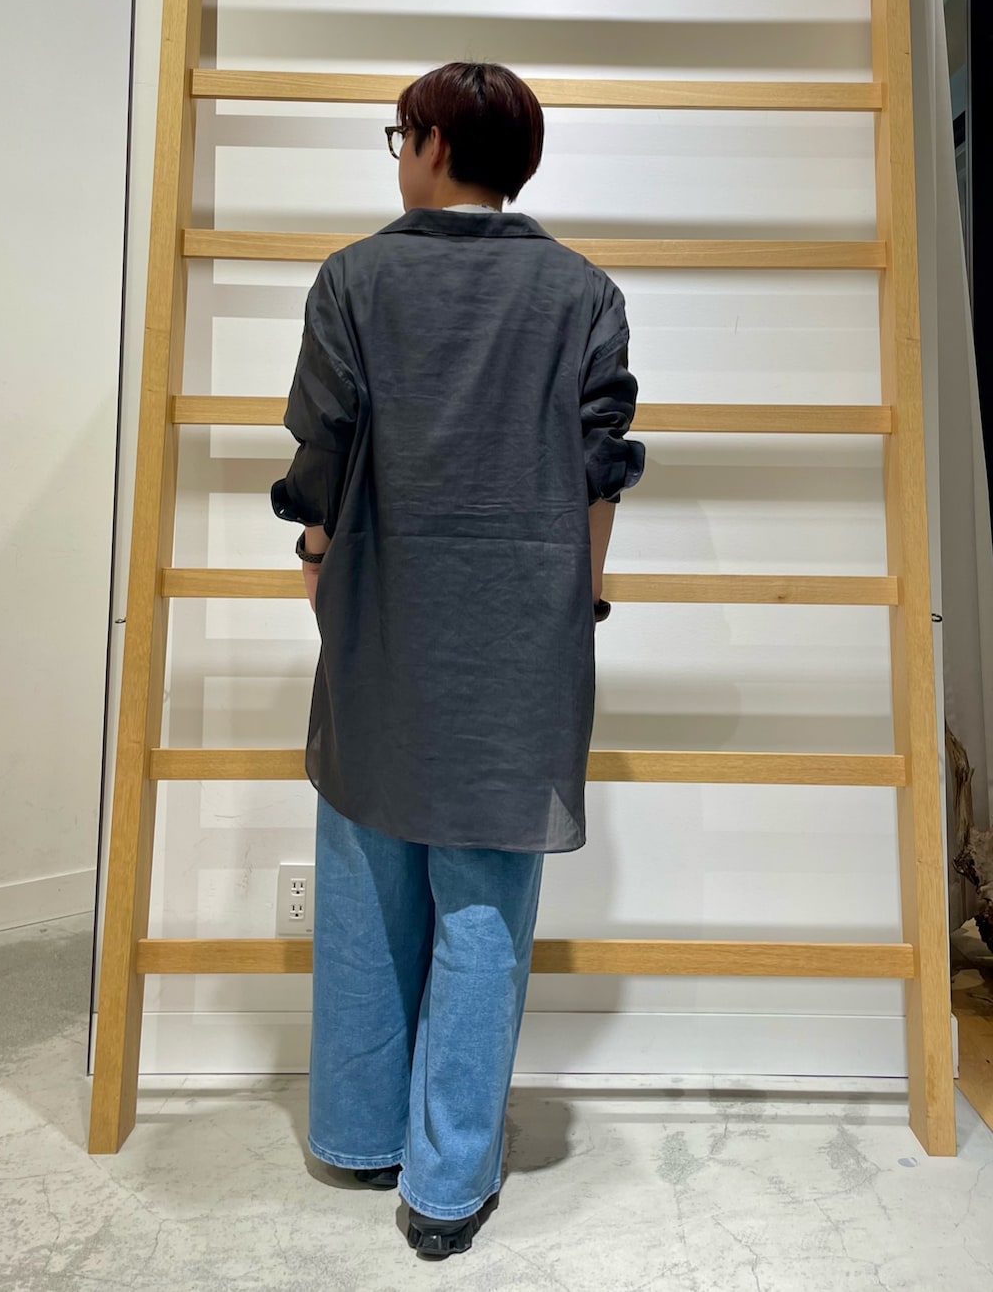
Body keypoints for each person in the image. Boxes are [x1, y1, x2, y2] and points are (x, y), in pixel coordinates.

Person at [270, 61, 645, 1259]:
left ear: (432, 144)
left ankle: (357, 1129)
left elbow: (323, 451)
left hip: (381, 618)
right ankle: (444, 1186)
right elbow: (600, 467)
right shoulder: (581, 291)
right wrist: (578, 600)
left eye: (400, 135)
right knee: (483, 899)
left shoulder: (353, 279)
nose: (399, 154)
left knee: (366, 871)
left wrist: (317, 560)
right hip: (521, 637)